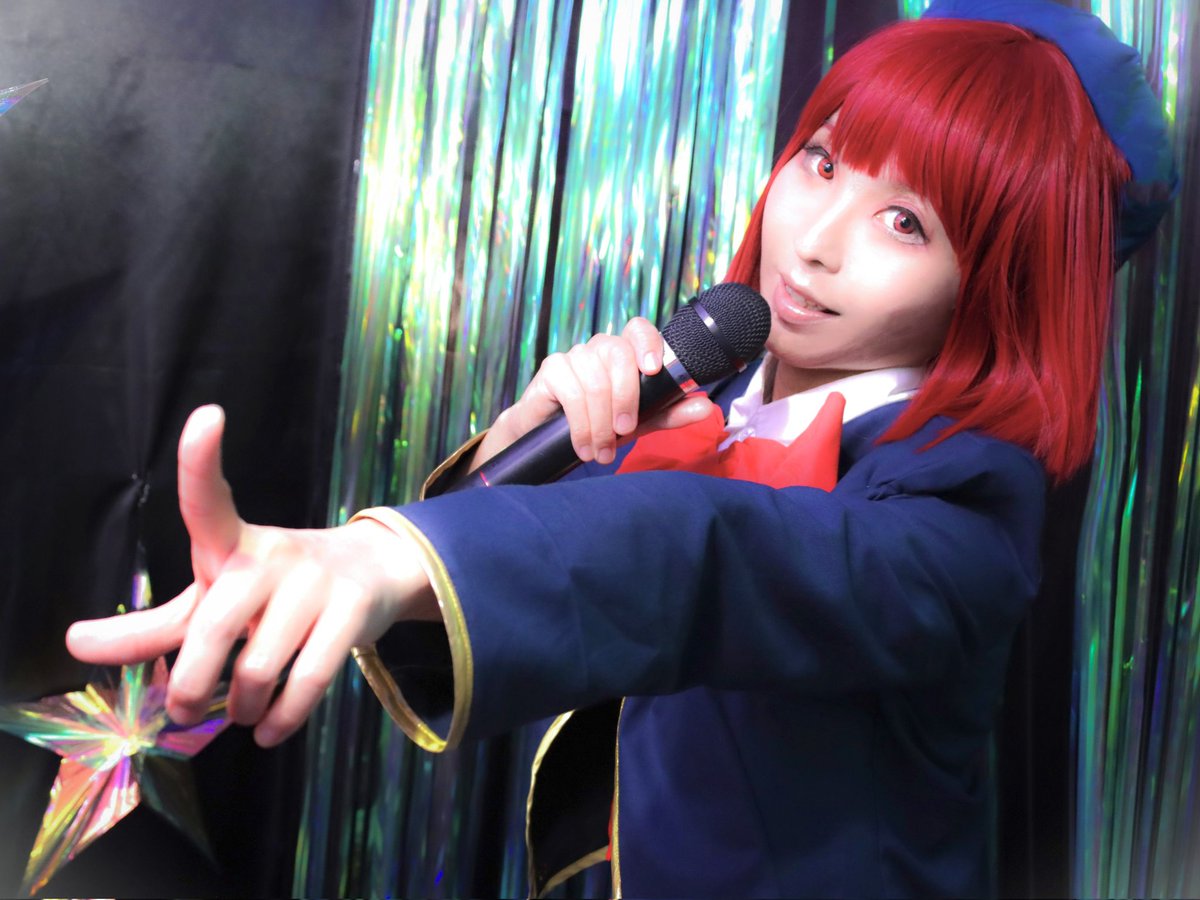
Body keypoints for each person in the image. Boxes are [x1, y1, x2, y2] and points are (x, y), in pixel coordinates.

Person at [65, 1, 1175, 896]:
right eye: (825, 161)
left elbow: (710, 550)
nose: (816, 242)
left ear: (1001, 288)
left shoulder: (968, 511)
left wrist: (399, 554)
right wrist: (525, 446)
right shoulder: (716, 381)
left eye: (907, 223)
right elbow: (582, 555)